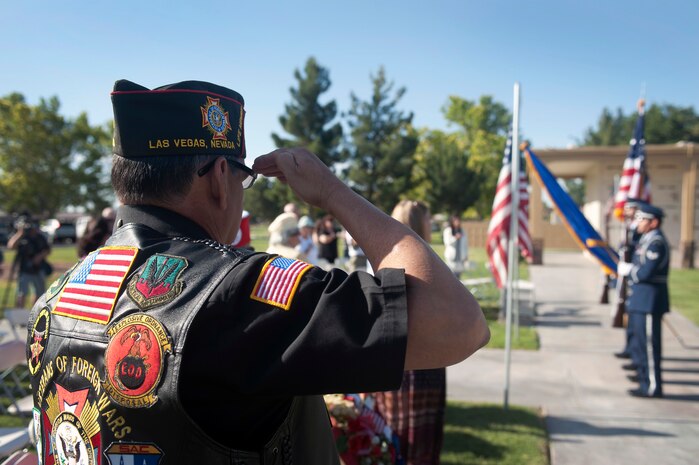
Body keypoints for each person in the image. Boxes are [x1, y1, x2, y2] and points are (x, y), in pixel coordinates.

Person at [25, 79, 489, 464]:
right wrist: (332, 191)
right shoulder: (236, 293)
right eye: (241, 178)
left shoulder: (57, 298)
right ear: (218, 182)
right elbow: (457, 323)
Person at [370, 199, 445, 465]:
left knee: (390, 434)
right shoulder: (432, 267)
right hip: (421, 362)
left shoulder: (381, 262)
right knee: (414, 439)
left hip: (394, 358)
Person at [617, 203, 669, 398]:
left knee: (649, 347)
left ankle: (652, 386)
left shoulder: (656, 242)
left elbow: (646, 272)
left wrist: (630, 271)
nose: (637, 223)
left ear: (653, 222)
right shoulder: (646, 239)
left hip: (649, 301)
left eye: (642, 220)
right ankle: (643, 379)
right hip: (640, 299)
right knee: (640, 343)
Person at [613, 198, 644, 360]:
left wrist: (630, 268)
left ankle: (635, 352)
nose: (625, 212)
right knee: (629, 315)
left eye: (629, 209)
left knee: (635, 319)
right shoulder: (629, 227)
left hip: (635, 276)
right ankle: (630, 348)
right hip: (628, 275)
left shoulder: (638, 230)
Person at [8, 216, 51, 308]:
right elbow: (11, 246)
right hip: (24, 269)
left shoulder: (40, 237)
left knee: (39, 293)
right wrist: (20, 233)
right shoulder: (22, 237)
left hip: (38, 268)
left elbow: (47, 249)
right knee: (22, 293)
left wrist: (39, 256)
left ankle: (34, 312)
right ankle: (20, 313)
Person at [443, 214, 469, 279]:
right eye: (456, 220)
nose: (457, 222)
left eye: (458, 220)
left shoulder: (462, 231)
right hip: (451, 258)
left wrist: (466, 255)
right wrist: (455, 238)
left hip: (460, 258)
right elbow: (447, 242)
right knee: (451, 277)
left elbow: (465, 244)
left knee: (458, 278)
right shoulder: (448, 230)